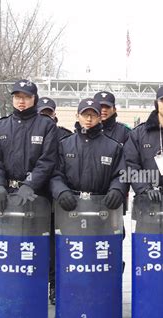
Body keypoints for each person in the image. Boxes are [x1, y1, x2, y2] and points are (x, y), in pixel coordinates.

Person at [49, 98, 127, 305]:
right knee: (74, 254)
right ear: (78, 116)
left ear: (99, 116)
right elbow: (55, 174)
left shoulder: (112, 146)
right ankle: (69, 289)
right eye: (85, 114)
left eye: (93, 114)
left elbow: (122, 174)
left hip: (102, 210)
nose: (89, 118)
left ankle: (102, 290)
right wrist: (61, 191)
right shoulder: (64, 145)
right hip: (71, 209)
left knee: (98, 254)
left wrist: (118, 190)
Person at [0, 78, 57, 220]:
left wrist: (30, 184)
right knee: (6, 239)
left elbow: (47, 160)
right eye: (17, 97)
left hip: (37, 194)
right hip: (6, 195)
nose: (21, 101)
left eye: (26, 97)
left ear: (34, 99)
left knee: (36, 240)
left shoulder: (47, 126)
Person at [37, 96, 71, 305]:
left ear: (55, 115)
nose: (46, 117)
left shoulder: (65, 137)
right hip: (36, 198)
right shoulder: (30, 133)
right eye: (42, 113)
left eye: (49, 113)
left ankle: (55, 286)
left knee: (57, 247)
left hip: (59, 201)